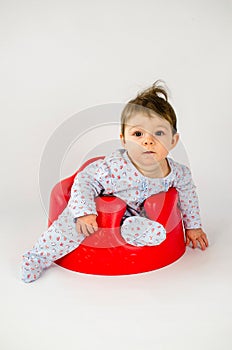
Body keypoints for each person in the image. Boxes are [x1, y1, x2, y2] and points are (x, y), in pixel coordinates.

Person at [21, 81, 208, 283]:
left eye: (159, 133)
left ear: (173, 141)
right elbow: (85, 180)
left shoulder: (178, 173)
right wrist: (84, 211)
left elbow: (188, 195)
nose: (148, 141)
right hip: (98, 211)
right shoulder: (115, 167)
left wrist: (193, 227)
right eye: (138, 134)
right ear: (123, 140)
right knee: (70, 225)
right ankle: (38, 256)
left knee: (158, 233)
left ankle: (131, 228)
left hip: (136, 216)